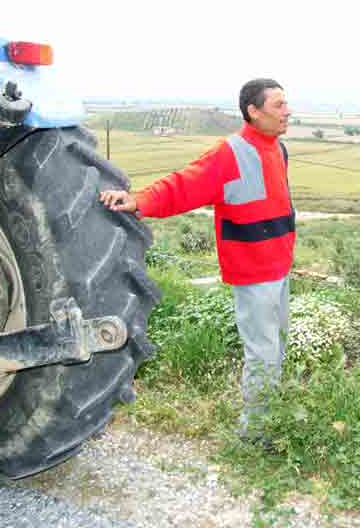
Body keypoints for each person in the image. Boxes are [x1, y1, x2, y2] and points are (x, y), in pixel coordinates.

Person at [100, 78, 294, 441]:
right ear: (253, 112)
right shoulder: (230, 153)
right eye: (279, 105)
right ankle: (257, 434)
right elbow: (185, 184)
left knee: (276, 345)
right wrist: (139, 200)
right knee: (263, 353)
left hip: (280, 268)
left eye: (286, 104)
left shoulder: (277, 149)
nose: (287, 112)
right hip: (254, 273)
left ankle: (273, 415)